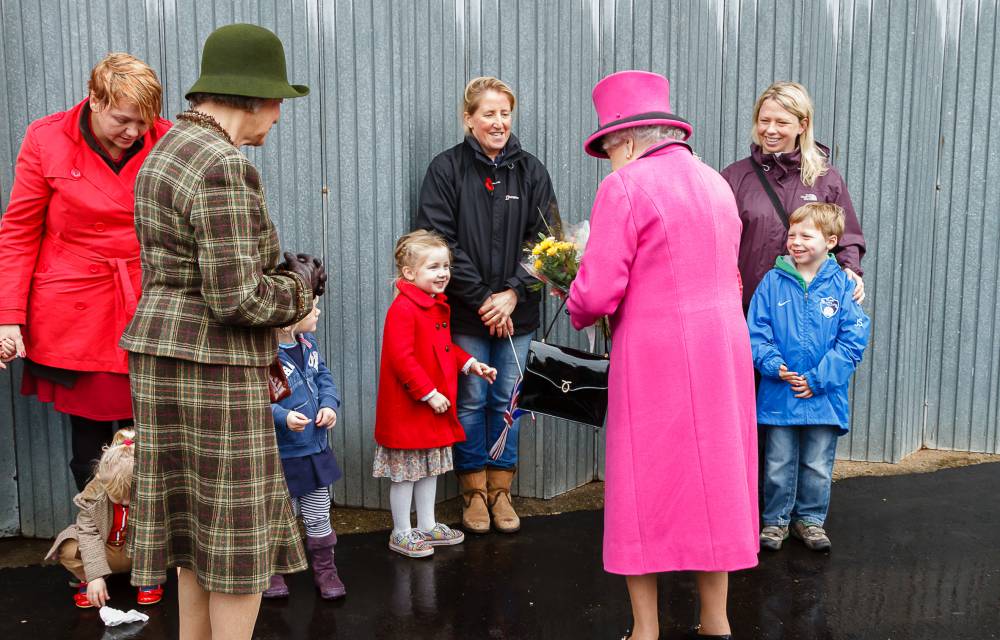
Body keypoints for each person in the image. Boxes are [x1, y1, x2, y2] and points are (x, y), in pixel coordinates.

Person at [119, 24, 326, 639]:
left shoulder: (166, 149)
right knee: (235, 539)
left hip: (163, 356)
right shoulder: (224, 167)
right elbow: (236, 296)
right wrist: (300, 286)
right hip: (213, 366)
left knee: (195, 532)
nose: (281, 116)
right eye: (280, 101)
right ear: (255, 96)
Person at [568, 70, 758, 640]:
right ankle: (716, 623)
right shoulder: (715, 182)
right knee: (716, 479)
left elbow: (598, 291)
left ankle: (646, 630)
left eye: (606, 149)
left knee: (642, 484)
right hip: (722, 349)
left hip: (656, 358)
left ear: (624, 140)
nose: (607, 160)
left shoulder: (624, 187)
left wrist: (572, 295)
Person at [0, 53, 170, 490]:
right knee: (89, 435)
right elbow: (19, 232)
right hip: (76, 307)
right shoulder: (46, 139)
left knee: (154, 430)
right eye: (123, 120)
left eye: (143, 122)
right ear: (94, 99)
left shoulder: (167, 139)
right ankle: (101, 542)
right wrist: (8, 317)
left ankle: (153, 541)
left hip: (147, 298)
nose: (134, 132)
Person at [415, 76, 558, 534]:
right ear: (469, 118)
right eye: (488, 114)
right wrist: (483, 300)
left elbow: (547, 241)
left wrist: (513, 292)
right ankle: (473, 491)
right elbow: (439, 240)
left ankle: (502, 491)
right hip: (466, 313)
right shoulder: (446, 169)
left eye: (504, 113)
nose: (498, 122)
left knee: (509, 400)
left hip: (519, 312)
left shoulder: (531, 171)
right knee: (473, 400)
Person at [747, 203, 870, 553]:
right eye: (791, 234)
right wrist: (772, 364)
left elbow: (853, 337)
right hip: (780, 391)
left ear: (831, 241)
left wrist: (818, 379)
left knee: (817, 464)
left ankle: (811, 521)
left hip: (824, 395)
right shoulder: (772, 282)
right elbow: (756, 332)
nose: (795, 242)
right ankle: (776, 521)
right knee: (777, 462)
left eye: (806, 235)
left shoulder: (843, 286)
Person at [374, 230, 497, 558]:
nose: (443, 273)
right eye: (433, 267)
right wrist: (428, 393)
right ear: (410, 273)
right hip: (410, 409)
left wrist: (471, 363)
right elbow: (402, 359)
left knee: (429, 469)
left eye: (446, 266)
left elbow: (443, 349)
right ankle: (401, 531)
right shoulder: (404, 308)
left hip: (431, 408)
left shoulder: (433, 306)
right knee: (406, 475)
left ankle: (426, 524)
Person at [721, 81, 866, 312]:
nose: (770, 130)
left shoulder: (825, 179)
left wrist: (851, 268)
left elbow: (846, 237)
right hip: (749, 308)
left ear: (802, 125)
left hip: (807, 310)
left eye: (781, 122)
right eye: (764, 120)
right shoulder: (735, 177)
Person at [263, 299, 346, 600]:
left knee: (318, 515)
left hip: (315, 449)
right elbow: (262, 399)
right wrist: (283, 417)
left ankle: (326, 571)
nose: (319, 312)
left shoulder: (308, 343)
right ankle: (272, 573)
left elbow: (324, 377)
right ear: (288, 320)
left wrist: (329, 405)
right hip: (284, 455)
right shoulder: (269, 355)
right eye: (312, 308)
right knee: (279, 517)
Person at [46, 429, 164, 608]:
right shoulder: (93, 496)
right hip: (106, 552)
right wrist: (94, 575)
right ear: (103, 481)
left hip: (138, 553)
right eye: (117, 496)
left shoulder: (152, 493)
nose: (124, 502)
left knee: (160, 533)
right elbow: (88, 534)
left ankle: (149, 580)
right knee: (68, 547)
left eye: (129, 496)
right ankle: (92, 579)